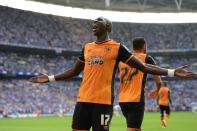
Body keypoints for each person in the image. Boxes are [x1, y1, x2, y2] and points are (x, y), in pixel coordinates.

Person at [29, 17, 197, 131]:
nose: (94, 24)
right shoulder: (87, 47)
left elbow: (144, 67)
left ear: (108, 27)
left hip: (103, 102)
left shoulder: (118, 48)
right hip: (83, 100)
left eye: (98, 22)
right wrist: (50, 78)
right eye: (93, 22)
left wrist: (172, 71)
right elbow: (74, 71)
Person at [118, 37, 162, 131]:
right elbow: (158, 80)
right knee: (133, 128)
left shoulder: (123, 59)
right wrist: (157, 90)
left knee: (136, 127)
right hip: (136, 99)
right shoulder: (146, 58)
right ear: (144, 46)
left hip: (122, 100)